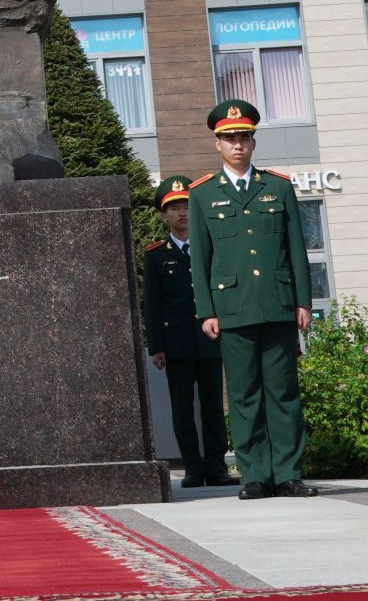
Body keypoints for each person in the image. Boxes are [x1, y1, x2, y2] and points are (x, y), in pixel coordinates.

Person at [187, 101, 317, 500]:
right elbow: (201, 259)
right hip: (232, 308)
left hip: (277, 303)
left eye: (243, 137)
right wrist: (207, 310)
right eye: (229, 139)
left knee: (282, 391)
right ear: (217, 145)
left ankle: (288, 472)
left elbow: (296, 247)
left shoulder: (277, 187)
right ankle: (255, 474)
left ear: (254, 142)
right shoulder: (203, 193)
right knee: (244, 395)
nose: (237, 145)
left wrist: (303, 302)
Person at [144, 175, 234, 488]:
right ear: (164, 214)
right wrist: (156, 345)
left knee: (212, 406)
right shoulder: (156, 254)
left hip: (210, 340)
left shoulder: (210, 249)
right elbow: (152, 304)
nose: (182, 213)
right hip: (177, 343)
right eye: (174, 208)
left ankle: (217, 466)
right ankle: (193, 468)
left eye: (186, 207)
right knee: (183, 409)